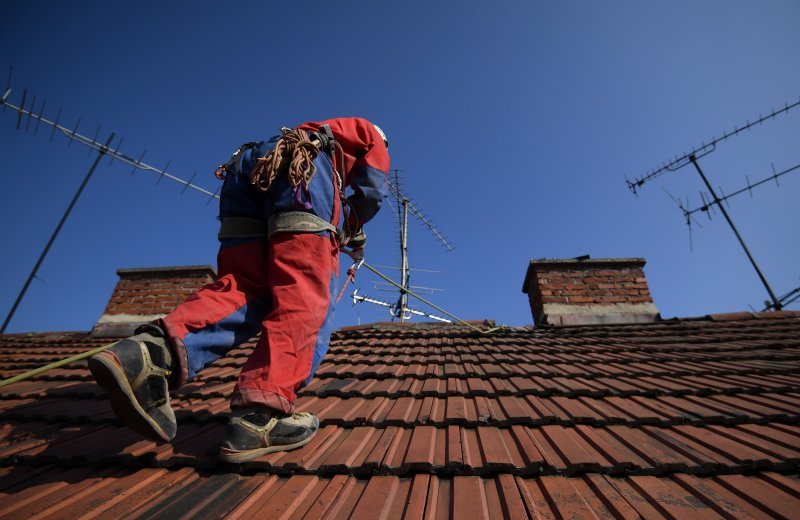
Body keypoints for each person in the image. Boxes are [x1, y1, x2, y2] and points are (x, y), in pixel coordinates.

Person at [88, 117, 390, 463]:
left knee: (247, 285)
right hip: (303, 172)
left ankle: (151, 354)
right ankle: (258, 416)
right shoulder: (371, 134)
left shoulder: (323, 128)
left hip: (249, 168)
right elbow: (372, 191)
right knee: (305, 298)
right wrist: (350, 226)